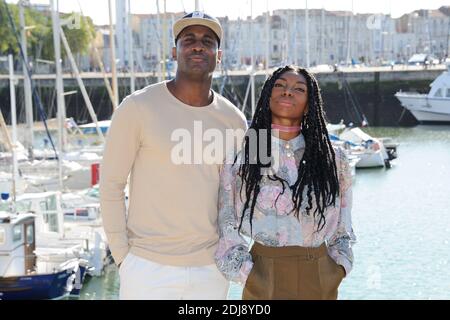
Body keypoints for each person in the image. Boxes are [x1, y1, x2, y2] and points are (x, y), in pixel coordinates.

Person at [100, 11, 247, 300]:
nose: (197, 46)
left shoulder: (234, 121)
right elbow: (111, 185)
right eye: (188, 39)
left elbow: (238, 195)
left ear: (219, 56)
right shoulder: (138, 108)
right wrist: (123, 258)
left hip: (211, 270)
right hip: (146, 268)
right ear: (174, 52)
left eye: (207, 41)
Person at [215, 65, 356, 300]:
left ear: (310, 103)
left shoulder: (333, 157)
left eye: (298, 88)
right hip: (263, 271)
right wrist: (248, 274)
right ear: (267, 95)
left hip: (320, 273)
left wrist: (338, 267)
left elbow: (344, 223)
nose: (287, 91)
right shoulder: (247, 151)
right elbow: (226, 221)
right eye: (280, 85)